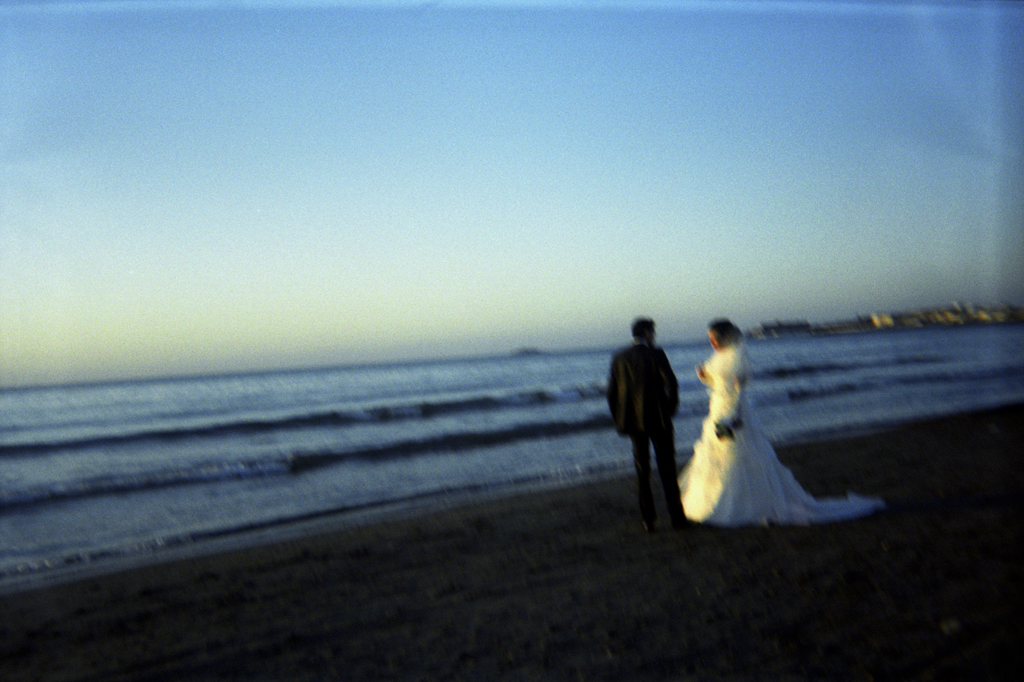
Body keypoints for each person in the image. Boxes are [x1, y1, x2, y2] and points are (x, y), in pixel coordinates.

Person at [678, 318, 886, 526]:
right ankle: (710, 502)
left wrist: (734, 419)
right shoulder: (719, 356)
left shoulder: (737, 356)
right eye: (710, 340)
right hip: (716, 407)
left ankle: (739, 505)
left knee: (737, 453)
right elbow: (716, 381)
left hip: (730, 412)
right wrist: (704, 376)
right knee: (716, 455)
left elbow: (739, 391)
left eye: (715, 339)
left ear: (725, 337)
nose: (712, 343)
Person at [608, 318, 689, 531]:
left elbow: (612, 393)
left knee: (642, 470)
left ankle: (648, 520)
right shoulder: (656, 354)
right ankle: (677, 518)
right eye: (653, 332)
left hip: (634, 423)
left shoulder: (619, 357)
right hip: (659, 420)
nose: (655, 336)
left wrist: (620, 418)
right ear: (646, 332)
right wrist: (670, 410)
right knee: (667, 469)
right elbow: (672, 384)